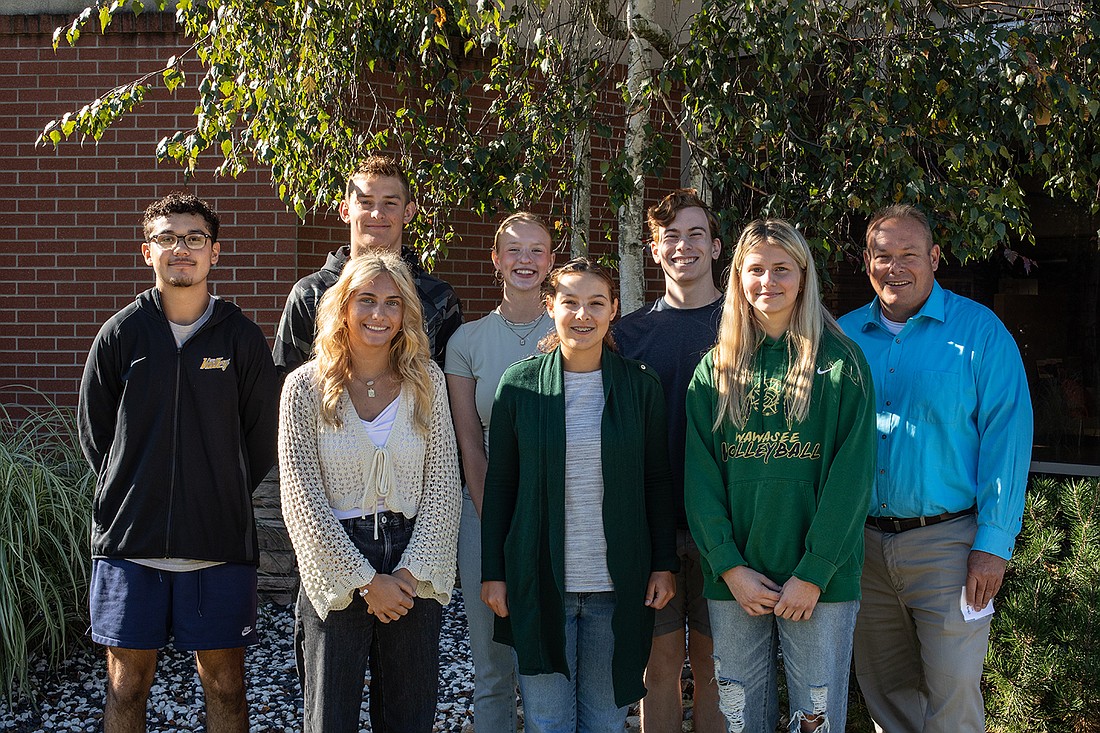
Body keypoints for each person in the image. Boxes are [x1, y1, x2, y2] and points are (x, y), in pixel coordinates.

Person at [77, 192, 279, 733]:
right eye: (167, 238)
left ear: (214, 252)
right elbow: (98, 439)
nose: (181, 249)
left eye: (193, 238)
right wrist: (137, 489)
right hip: (130, 546)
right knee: (126, 688)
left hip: (217, 548)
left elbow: (261, 439)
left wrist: (218, 487)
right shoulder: (121, 335)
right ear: (148, 252)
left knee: (227, 689)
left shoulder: (239, 338)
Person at [837, 204, 1033, 733]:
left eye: (909, 255)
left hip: (949, 546)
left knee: (952, 694)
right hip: (863, 550)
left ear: (935, 258)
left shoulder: (980, 333)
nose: (895, 267)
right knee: (885, 693)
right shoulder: (842, 337)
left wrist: (992, 545)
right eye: (883, 256)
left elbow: (1007, 441)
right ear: (867, 262)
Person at [684, 219, 876, 732]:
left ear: (804, 276)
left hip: (819, 583)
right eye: (756, 270)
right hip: (737, 581)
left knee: (815, 717)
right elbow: (700, 481)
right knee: (741, 716)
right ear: (739, 279)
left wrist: (814, 572)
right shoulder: (716, 369)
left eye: (782, 269)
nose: (768, 281)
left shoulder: (842, 364)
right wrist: (728, 566)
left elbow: (852, 480)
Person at [480, 258, 679, 733]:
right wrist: (494, 573)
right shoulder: (520, 386)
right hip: (541, 585)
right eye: (570, 302)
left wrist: (663, 563)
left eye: (595, 303)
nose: (582, 314)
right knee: (548, 722)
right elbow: (501, 486)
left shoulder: (640, 386)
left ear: (613, 309)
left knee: (605, 724)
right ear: (550, 307)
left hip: (618, 587)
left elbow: (657, 481)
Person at [278, 252, 461, 733]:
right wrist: (364, 580)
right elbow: (300, 500)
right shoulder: (304, 388)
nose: (379, 314)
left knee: (408, 718)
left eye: (393, 303)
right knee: (330, 719)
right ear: (342, 306)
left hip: (411, 562)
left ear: (407, 315)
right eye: (367, 300)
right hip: (337, 560)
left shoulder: (428, 383)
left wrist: (408, 572)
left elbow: (443, 486)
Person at [615, 188, 724, 733]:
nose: (684, 247)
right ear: (654, 250)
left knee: (713, 669)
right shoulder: (628, 336)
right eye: (670, 237)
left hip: (726, 532)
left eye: (695, 234)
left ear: (717, 246)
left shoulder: (746, 324)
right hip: (653, 531)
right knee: (657, 669)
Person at [444, 212, 556, 733]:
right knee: (491, 668)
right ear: (495, 260)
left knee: (553, 662)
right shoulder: (465, 342)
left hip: (563, 517)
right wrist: (498, 528)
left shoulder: (574, 328)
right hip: (484, 513)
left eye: (537, 250)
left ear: (551, 260)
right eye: (514, 250)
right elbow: (470, 441)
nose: (525, 261)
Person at [273, 154, 462, 378]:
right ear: (345, 211)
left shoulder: (438, 298)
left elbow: (449, 391)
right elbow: (284, 387)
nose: (377, 213)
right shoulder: (310, 295)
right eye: (366, 202)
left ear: (408, 212)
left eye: (390, 203)